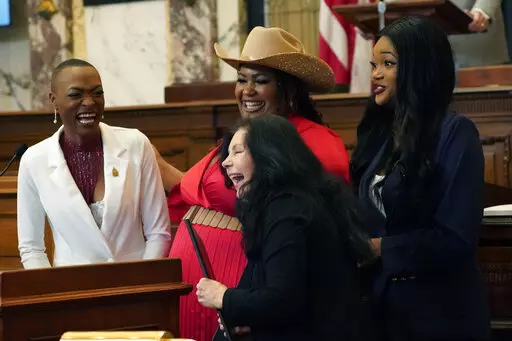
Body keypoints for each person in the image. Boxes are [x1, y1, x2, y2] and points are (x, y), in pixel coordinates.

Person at [155, 26, 351, 341]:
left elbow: (312, 210)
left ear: (288, 90)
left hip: (256, 286)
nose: (247, 90)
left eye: (260, 81)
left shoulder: (314, 142)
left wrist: (169, 172)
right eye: (242, 79)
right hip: (211, 288)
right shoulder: (241, 138)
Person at [350, 16, 490, 341]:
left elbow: (456, 238)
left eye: (387, 64)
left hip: (440, 315)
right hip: (383, 312)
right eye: (374, 64)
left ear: (418, 67)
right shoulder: (381, 137)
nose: (375, 75)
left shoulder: (455, 134)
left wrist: (380, 248)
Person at [196, 114, 373, 341]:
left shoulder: (286, 210)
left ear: (268, 156)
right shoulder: (300, 199)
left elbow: (283, 300)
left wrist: (223, 297)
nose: (225, 162)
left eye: (237, 151)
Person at [17, 58, 171, 269]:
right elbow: (31, 248)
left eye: (97, 93)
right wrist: (51, 295)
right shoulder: (34, 161)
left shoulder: (136, 143)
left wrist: (143, 286)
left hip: (135, 287)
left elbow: (159, 233)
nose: (89, 102)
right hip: (70, 292)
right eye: (75, 94)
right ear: (54, 101)